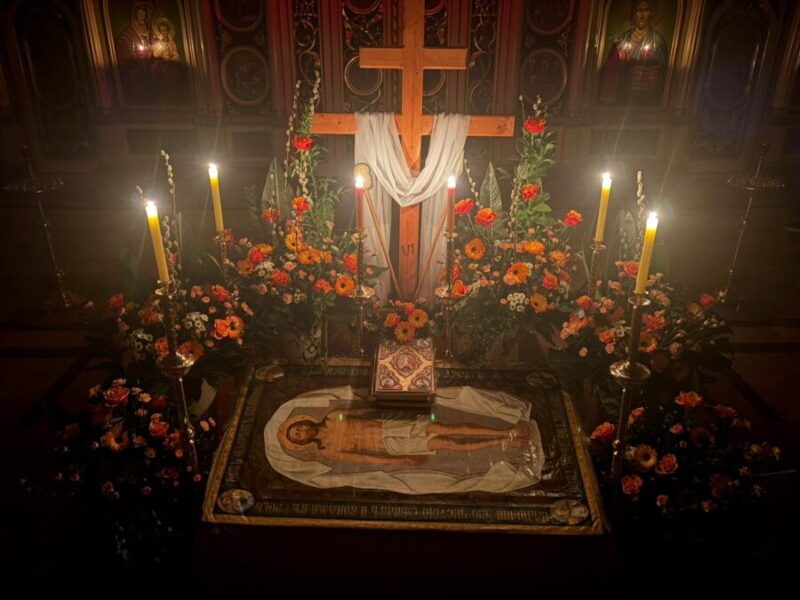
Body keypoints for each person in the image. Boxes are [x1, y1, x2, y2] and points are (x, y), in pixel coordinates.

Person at [278, 410, 532, 466]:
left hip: (391, 425)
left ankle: (505, 430)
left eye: (298, 428)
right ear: (302, 443)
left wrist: (399, 410)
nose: (302, 432)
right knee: (448, 444)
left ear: (303, 421)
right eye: (298, 436)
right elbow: (364, 458)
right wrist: (400, 460)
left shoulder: (334, 417)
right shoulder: (327, 449)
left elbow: (367, 410)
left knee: (448, 428)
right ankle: (503, 441)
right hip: (392, 444)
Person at [599, 0, 667, 105]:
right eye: (639, 10)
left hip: (644, 96)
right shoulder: (623, 39)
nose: (642, 14)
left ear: (651, 14)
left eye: (646, 10)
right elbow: (613, 64)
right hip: (622, 93)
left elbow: (661, 71)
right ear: (634, 14)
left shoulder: (658, 42)